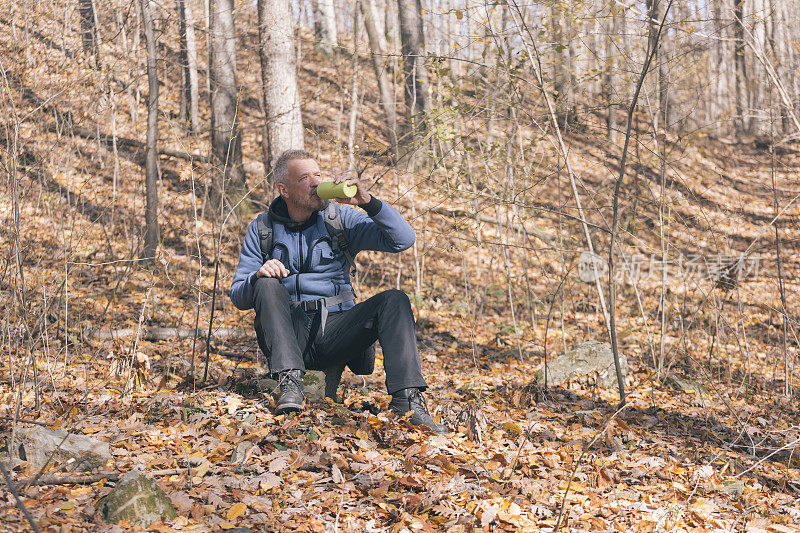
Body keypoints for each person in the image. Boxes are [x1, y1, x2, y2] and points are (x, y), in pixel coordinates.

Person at [229, 149, 446, 433]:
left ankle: (408, 402)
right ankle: (290, 383)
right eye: (305, 178)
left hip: (337, 330)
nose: (316, 183)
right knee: (267, 283)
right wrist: (258, 275)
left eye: (318, 175)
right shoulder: (262, 228)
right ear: (284, 189)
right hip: (289, 333)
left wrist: (367, 202)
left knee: (395, 300)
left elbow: (403, 240)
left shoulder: (339, 219)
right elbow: (238, 295)